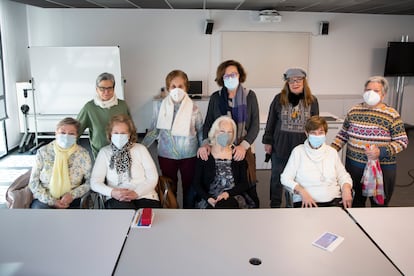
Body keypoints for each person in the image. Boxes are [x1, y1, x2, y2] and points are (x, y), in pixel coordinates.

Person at [331, 76, 408, 207]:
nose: (370, 93)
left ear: (383, 95)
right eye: (368, 90)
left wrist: (382, 151)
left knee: (379, 205)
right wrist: (330, 151)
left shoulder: (391, 114)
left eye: (376, 90)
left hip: (382, 169)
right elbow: (343, 134)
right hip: (355, 167)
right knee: (354, 203)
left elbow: (402, 141)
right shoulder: (354, 111)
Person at [197, 60, 260, 207]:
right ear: (221, 78)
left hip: (243, 148)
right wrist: (206, 143)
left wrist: (243, 147)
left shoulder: (250, 96)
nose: (231, 78)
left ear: (240, 75)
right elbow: (208, 123)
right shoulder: (215, 97)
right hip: (220, 148)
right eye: (226, 75)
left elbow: (255, 125)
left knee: (247, 183)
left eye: (234, 74)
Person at [142, 70, 203, 208]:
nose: (177, 89)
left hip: (190, 155)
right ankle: (172, 210)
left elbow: (200, 131)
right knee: (169, 187)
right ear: (168, 88)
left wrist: (203, 148)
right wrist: (140, 148)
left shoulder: (194, 108)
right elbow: (153, 131)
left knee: (190, 187)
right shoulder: (159, 106)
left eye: (180, 86)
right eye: (173, 86)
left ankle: (189, 211)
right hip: (166, 155)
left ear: (186, 88)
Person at [263, 68, 319, 208]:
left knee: (298, 178)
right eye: (291, 81)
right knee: (277, 177)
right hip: (280, 145)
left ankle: (292, 205)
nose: (295, 83)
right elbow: (271, 122)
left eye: (298, 80)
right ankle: (275, 204)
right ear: (287, 83)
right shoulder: (278, 99)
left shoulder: (312, 100)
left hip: (302, 147)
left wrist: (315, 143)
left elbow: (315, 124)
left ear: (304, 81)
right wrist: (268, 142)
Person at [281, 116, 353, 208]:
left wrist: (346, 189)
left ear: (325, 133)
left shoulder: (331, 152)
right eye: (313, 133)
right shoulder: (298, 152)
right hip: (306, 201)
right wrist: (302, 192)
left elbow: (343, 176)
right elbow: (285, 178)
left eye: (320, 132)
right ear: (307, 133)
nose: (317, 136)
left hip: (333, 200)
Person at [91, 114, 160, 209]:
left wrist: (137, 193)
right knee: (124, 218)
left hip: (145, 195)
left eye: (123, 133)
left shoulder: (141, 149)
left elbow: (152, 177)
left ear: (130, 134)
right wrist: (112, 192)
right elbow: (95, 182)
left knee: (147, 219)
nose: (119, 136)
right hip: (116, 197)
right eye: (116, 132)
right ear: (110, 134)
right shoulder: (104, 152)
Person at [29, 117, 91, 209]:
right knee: (41, 219)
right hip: (45, 199)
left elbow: (90, 181)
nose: (66, 136)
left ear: (76, 136)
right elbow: (33, 182)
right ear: (56, 133)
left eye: (71, 134)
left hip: (72, 199)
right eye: (62, 132)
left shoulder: (83, 154)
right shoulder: (43, 152)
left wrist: (72, 195)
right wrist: (51, 201)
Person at [193, 116, 252, 209]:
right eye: (222, 131)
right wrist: (208, 198)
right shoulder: (205, 154)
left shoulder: (237, 154)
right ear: (214, 132)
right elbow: (196, 183)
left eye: (229, 132)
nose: (226, 135)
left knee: (225, 205)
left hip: (232, 196)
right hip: (209, 198)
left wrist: (227, 194)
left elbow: (244, 183)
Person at [77, 72, 130, 158]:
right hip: (100, 154)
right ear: (96, 89)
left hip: (121, 153)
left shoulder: (122, 105)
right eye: (102, 88)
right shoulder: (89, 108)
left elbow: (130, 129)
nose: (106, 92)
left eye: (110, 88)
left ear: (113, 89)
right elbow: (75, 131)